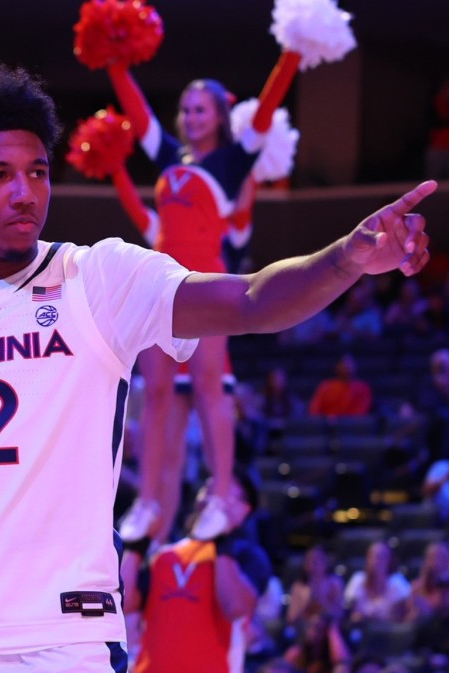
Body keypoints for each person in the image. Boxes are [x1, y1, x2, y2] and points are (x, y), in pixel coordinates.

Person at [0, 66, 435, 673]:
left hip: (62, 640)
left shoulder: (102, 277)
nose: (25, 191)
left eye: (37, 171)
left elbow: (248, 300)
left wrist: (344, 258)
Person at [107, 49, 296, 543]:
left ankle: (220, 495)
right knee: (156, 396)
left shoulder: (233, 162)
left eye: (201, 109)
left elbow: (267, 104)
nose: (191, 117)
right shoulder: (169, 157)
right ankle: (147, 501)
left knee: (212, 390)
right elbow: (139, 114)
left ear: (219, 115)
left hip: (209, 284)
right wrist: (114, 62)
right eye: (186, 110)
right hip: (161, 284)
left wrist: (294, 48)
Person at [124, 471, 271, 673]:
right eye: (209, 489)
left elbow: (235, 607)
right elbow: (124, 603)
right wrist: (136, 546)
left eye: (224, 493)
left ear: (244, 509)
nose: (212, 499)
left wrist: (221, 540)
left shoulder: (248, 556)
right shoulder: (165, 556)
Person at [343, 541, 411, 625]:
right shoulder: (358, 580)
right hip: (363, 631)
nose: (376, 561)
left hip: (389, 631)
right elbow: (350, 613)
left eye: (382, 557)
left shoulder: (397, 582)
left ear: (389, 560)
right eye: (373, 556)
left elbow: (406, 614)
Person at [287, 546, 345, 626]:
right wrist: (304, 602)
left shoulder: (335, 584)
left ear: (326, 562)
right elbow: (291, 619)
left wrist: (324, 604)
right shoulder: (298, 587)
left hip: (327, 628)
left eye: (317, 561)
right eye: (309, 561)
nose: (312, 565)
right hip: (304, 628)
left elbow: (340, 615)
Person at [308, 354, 373, 418]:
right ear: (337, 366)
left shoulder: (363, 387)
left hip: (353, 426)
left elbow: (361, 411)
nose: (347, 366)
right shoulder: (325, 386)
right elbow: (315, 410)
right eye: (344, 363)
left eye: (350, 363)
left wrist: (344, 422)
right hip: (327, 425)